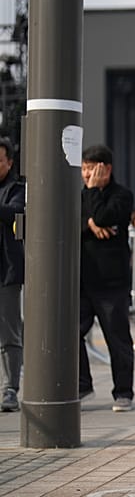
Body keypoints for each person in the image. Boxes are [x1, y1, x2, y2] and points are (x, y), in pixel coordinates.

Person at [79, 144, 135, 412]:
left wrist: (93, 214)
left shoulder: (122, 196)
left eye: (91, 168)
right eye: (84, 168)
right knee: (70, 332)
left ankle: (123, 392)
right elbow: (76, 222)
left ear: (106, 169)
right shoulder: (80, 196)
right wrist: (90, 224)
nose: (86, 174)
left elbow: (104, 215)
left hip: (112, 282)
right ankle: (82, 385)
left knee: (117, 337)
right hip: (83, 280)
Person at [0, 137, 24, 413]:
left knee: (9, 333)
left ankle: (10, 389)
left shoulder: (17, 189)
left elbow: (14, 213)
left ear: (9, 162)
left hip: (6, 269)